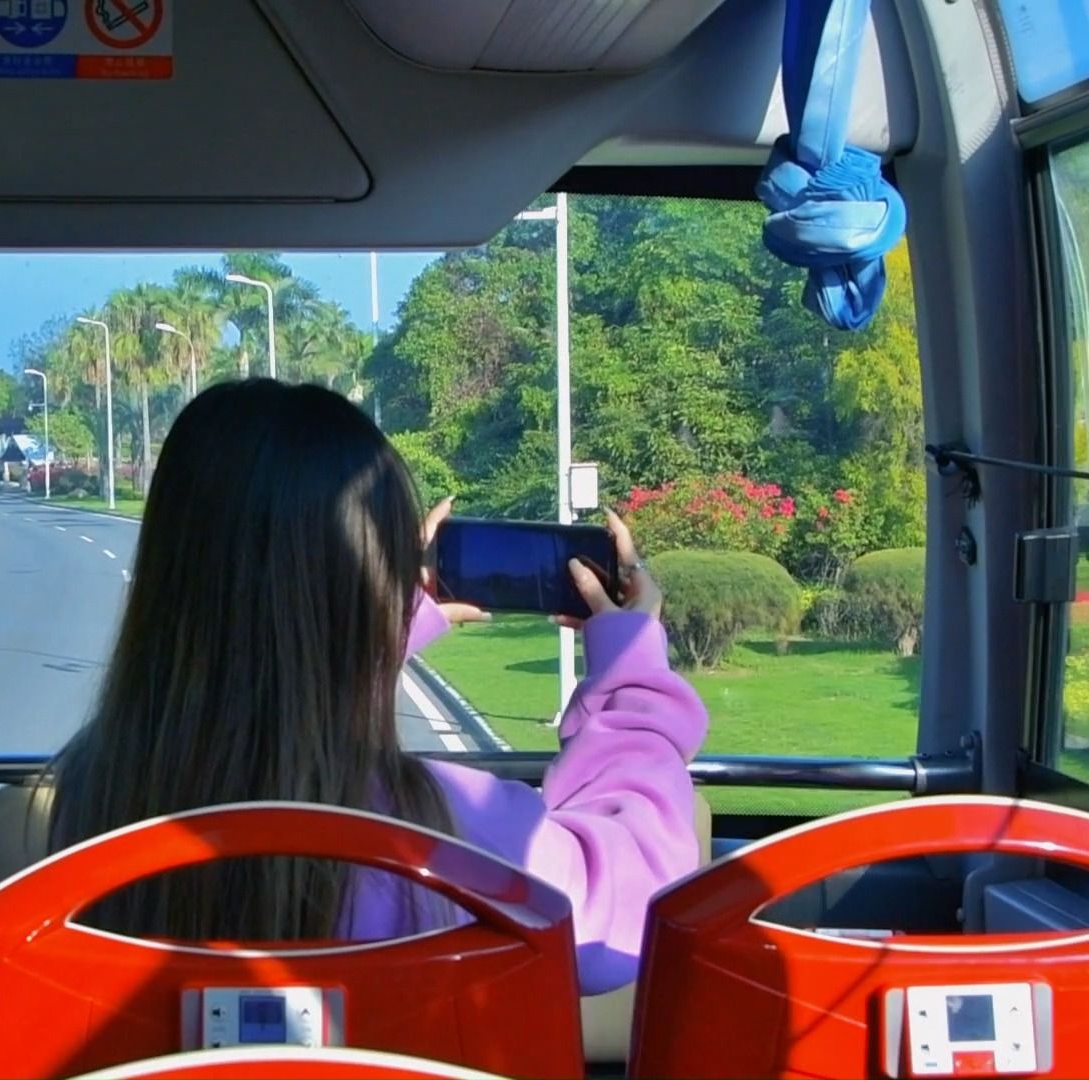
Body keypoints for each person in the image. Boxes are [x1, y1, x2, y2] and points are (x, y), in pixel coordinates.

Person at [43, 379, 707, 994]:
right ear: (372, 591)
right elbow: (635, 902)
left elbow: (273, 695)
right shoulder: (445, 827)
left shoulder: (94, 793)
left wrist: (386, 623)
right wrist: (632, 670)